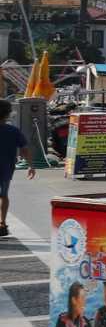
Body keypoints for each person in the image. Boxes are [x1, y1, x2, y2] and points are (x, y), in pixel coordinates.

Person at [0, 101, 36, 237]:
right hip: (6, 168)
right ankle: (2, 223)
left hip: (6, 167)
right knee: (3, 195)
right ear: (7, 114)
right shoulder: (13, 131)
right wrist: (31, 165)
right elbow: (24, 150)